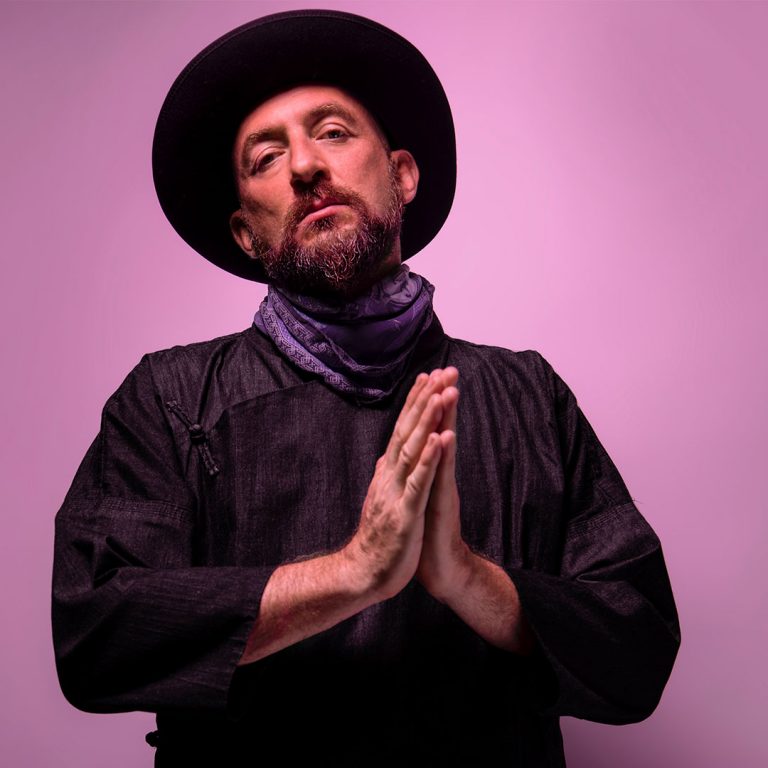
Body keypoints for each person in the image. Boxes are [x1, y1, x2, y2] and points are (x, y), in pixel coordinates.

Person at [51, 10, 680, 767]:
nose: (304, 166)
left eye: (333, 133)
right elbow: (95, 635)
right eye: (265, 157)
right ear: (246, 233)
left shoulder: (528, 397)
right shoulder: (170, 397)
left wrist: (467, 578)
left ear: (402, 176)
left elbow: (639, 647)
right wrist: (353, 573)